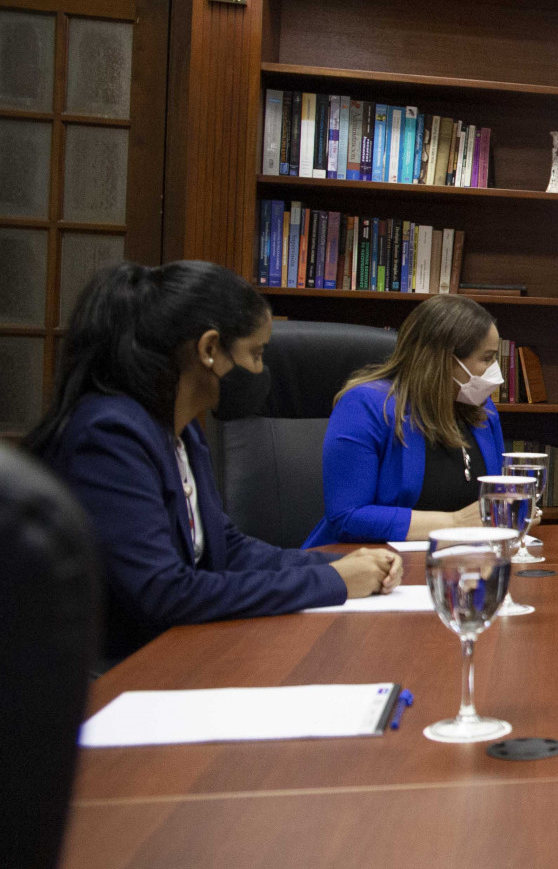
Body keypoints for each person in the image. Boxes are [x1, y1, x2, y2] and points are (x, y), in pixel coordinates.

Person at [28, 262, 399, 662]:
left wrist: (341, 564)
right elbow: (164, 592)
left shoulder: (180, 429)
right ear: (209, 349)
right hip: (116, 673)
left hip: (178, 652)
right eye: (256, 354)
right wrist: (331, 581)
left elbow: (229, 549)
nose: (261, 370)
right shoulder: (109, 436)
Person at [306, 293, 506, 545]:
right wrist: (455, 523)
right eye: (487, 358)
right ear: (444, 359)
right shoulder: (364, 405)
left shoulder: (483, 410)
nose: (495, 370)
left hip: (464, 558)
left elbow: (492, 501)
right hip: (370, 559)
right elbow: (347, 517)